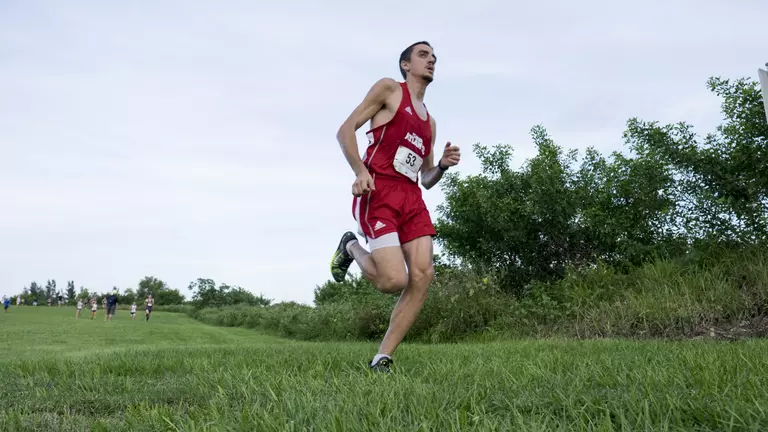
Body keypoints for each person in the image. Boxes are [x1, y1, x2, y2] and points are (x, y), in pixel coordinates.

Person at [330, 41, 461, 373]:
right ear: (405, 65)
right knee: (393, 281)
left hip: (412, 198)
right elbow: (345, 130)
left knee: (423, 274)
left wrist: (442, 165)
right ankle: (349, 246)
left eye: (434, 57)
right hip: (380, 191)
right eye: (423, 55)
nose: (431, 60)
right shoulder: (389, 90)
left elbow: (426, 176)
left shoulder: (429, 123)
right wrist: (360, 171)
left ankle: (381, 358)